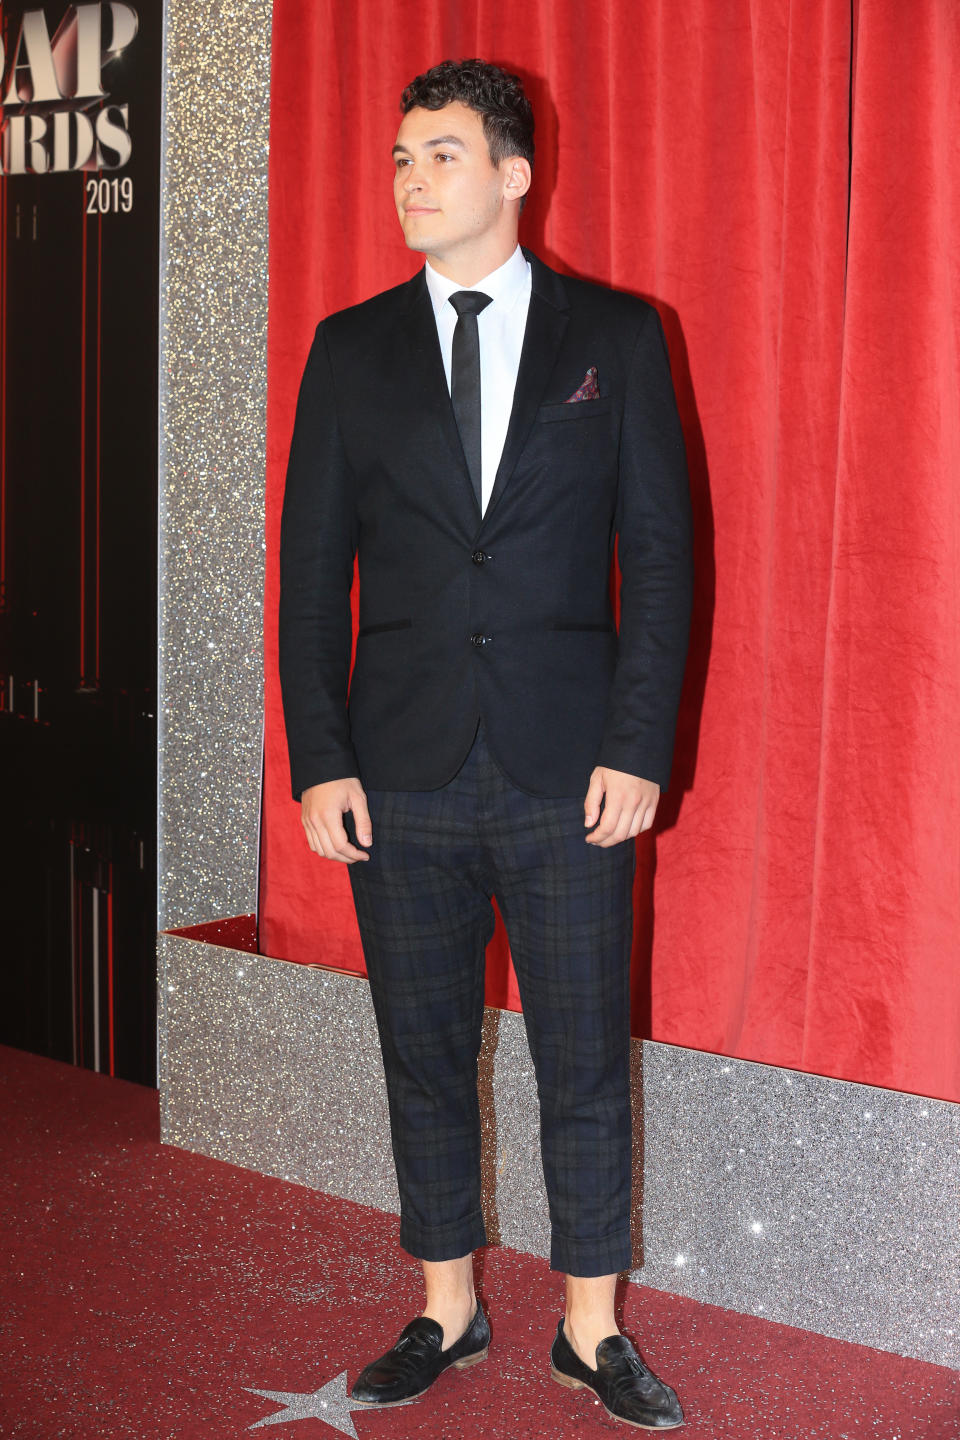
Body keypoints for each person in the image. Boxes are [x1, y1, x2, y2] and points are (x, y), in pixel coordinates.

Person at [279, 58, 692, 1430]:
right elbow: (308, 571)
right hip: (397, 776)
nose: (410, 178)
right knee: (421, 1048)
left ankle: (591, 1327)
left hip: (570, 774)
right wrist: (320, 758)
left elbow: (662, 559)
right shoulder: (349, 349)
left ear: (515, 174)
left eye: (440, 155)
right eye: (400, 157)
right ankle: (445, 1307)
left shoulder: (619, 338)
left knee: (581, 1053)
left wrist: (641, 747)